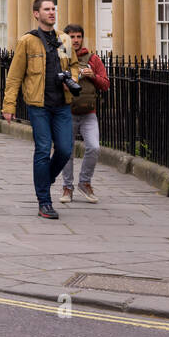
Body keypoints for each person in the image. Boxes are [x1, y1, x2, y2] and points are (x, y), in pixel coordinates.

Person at [2, 0, 80, 220]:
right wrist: (9, 105)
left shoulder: (63, 40)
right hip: (38, 106)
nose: (52, 13)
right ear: (36, 14)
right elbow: (15, 76)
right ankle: (44, 201)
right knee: (43, 150)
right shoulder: (27, 41)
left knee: (65, 149)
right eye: (47, 9)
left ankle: (45, 179)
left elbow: (72, 66)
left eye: (53, 9)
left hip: (62, 104)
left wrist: (71, 78)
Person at [60, 24, 109, 204]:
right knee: (67, 151)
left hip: (89, 112)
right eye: (72, 37)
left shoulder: (93, 59)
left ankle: (85, 182)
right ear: (65, 39)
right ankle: (67, 187)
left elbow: (105, 84)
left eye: (78, 36)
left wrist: (92, 76)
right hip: (66, 112)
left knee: (94, 147)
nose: (75, 40)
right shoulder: (60, 59)